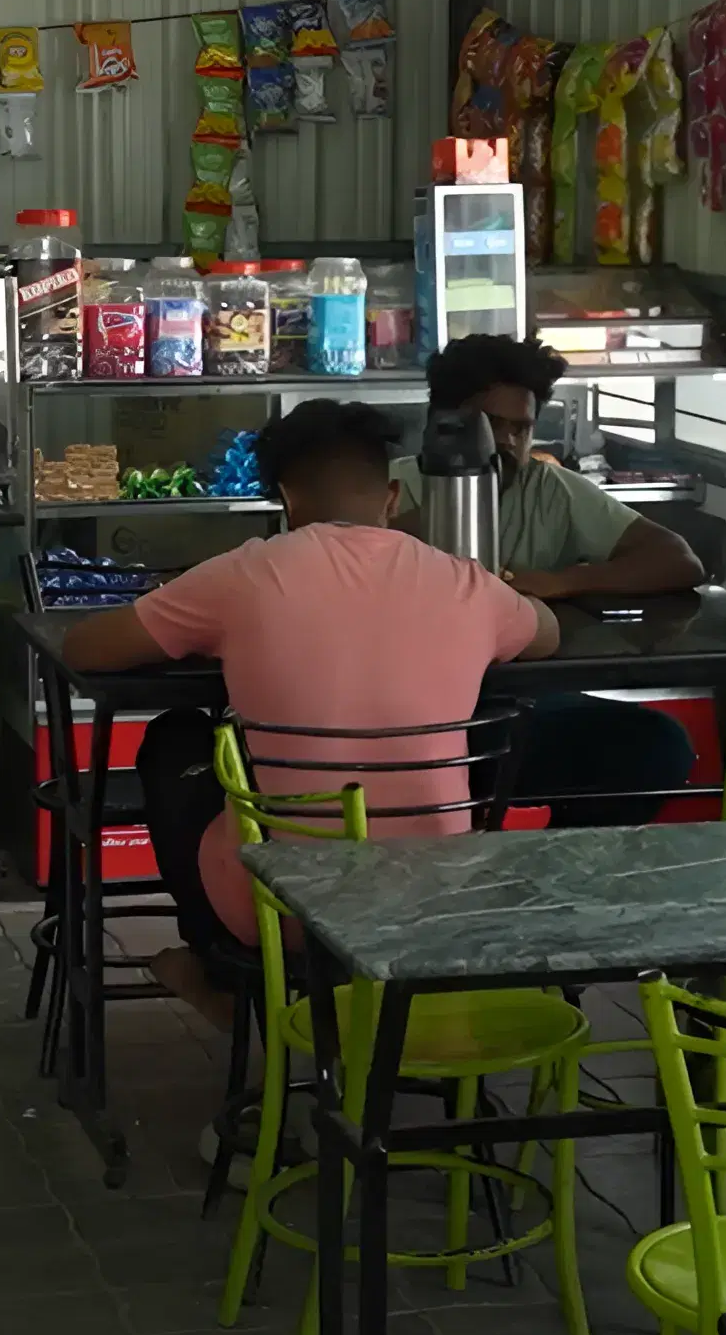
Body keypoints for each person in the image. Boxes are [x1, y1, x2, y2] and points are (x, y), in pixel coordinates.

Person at [61, 399, 560, 1020]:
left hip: (289, 910)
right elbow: (546, 634)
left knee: (175, 742)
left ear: (282, 498)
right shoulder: (465, 582)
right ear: (393, 495)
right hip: (437, 900)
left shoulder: (243, 573)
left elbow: (85, 648)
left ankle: (219, 970)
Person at [396, 334, 707, 826]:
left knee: (656, 745)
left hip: (521, 700)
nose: (507, 443)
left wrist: (562, 582)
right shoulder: (392, 489)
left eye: (520, 428)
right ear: (446, 422)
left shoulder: (551, 490)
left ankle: (561, 879)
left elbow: (679, 560)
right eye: (491, 425)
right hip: (406, 707)